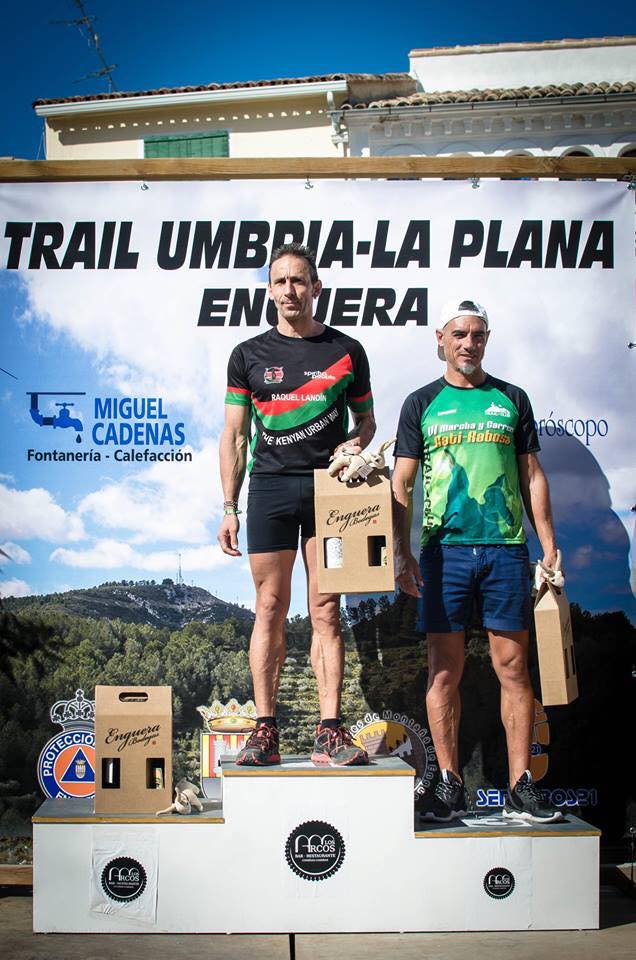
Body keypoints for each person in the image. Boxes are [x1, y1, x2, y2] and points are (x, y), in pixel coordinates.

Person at [392, 297, 563, 823]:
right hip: (443, 554)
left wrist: (548, 543)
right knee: (444, 672)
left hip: (506, 551)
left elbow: (532, 475)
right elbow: (400, 481)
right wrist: (401, 552)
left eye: (479, 335)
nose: (469, 344)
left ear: (486, 339)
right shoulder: (421, 403)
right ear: (440, 339)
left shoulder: (511, 399)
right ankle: (448, 782)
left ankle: (519, 786)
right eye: (460, 334)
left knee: (513, 669)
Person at [217, 243, 376, 766]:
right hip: (270, 488)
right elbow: (235, 436)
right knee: (269, 608)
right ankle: (265, 731)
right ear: (269, 291)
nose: (290, 290)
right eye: (281, 281)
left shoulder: (346, 350)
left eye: (300, 280)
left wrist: (356, 442)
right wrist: (228, 506)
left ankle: (330, 729)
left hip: (332, 492)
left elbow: (368, 422)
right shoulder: (248, 355)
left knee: (327, 610)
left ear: (316, 289)